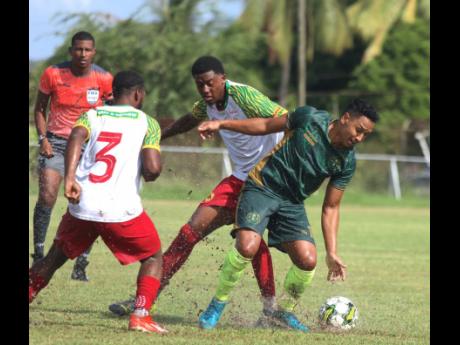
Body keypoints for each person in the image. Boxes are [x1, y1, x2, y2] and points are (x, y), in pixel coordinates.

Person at [109, 55, 288, 326]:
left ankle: (270, 310)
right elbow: (187, 121)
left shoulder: (243, 96)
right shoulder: (206, 105)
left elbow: (284, 119)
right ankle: (145, 298)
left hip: (265, 183)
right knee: (189, 232)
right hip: (239, 179)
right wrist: (156, 137)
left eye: (209, 83)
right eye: (199, 85)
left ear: (222, 80)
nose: (205, 90)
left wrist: (281, 165)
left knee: (251, 242)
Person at [196, 99, 379, 332]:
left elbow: (331, 208)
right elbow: (264, 125)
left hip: (292, 203)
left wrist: (332, 252)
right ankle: (217, 305)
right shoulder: (309, 118)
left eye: (366, 135)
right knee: (247, 246)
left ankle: (280, 314)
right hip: (262, 186)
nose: (359, 138)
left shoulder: (347, 162)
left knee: (308, 260)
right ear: (345, 118)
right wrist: (222, 125)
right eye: (359, 130)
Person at [29, 71, 168, 334]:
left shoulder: (92, 114)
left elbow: (75, 137)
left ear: (113, 93)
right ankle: (140, 315)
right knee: (152, 257)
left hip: (84, 203)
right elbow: (151, 170)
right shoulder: (148, 123)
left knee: (54, 258)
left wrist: (70, 177)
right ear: (138, 94)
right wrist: (152, 163)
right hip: (120, 210)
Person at [32, 31, 113, 282]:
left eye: (88, 50)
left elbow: (111, 111)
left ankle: (81, 263)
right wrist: (43, 139)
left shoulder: (104, 78)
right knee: (47, 195)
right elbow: (39, 109)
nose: (83, 54)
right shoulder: (53, 74)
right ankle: (38, 255)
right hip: (56, 142)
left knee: (87, 202)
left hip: (89, 145)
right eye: (78, 49)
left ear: (94, 52)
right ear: (71, 51)